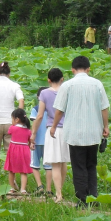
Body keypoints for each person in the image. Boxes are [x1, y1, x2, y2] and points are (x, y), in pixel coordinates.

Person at [49, 56, 110, 207]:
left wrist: (54, 126)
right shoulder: (97, 84)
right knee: (91, 165)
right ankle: (93, 198)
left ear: (72, 70)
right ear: (88, 69)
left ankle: (82, 200)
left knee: (79, 167)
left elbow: (59, 110)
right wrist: (106, 126)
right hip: (93, 132)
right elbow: (104, 107)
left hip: (74, 133)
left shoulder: (67, 85)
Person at [42, 68, 70, 202]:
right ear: (62, 79)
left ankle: (58, 194)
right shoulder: (67, 92)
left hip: (53, 129)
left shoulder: (44, 93)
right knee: (63, 161)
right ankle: (60, 190)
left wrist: (34, 132)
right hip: (67, 129)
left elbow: (40, 114)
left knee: (55, 164)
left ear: (48, 80)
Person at [28, 86, 52, 197]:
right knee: (48, 166)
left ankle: (39, 186)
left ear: (38, 97)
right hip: (49, 140)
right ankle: (49, 189)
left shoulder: (36, 109)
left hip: (36, 140)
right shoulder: (52, 109)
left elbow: (34, 124)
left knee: (35, 164)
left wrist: (32, 137)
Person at [4, 107, 34, 194]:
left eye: (12, 119)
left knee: (11, 170)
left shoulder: (12, 128)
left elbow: (9, 132)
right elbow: (30, 141)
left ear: (17, 119)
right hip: (24, 151)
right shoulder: (28, 131)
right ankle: (23, 189)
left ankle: (12, 188)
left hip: (13, 151)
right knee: (23, 171)